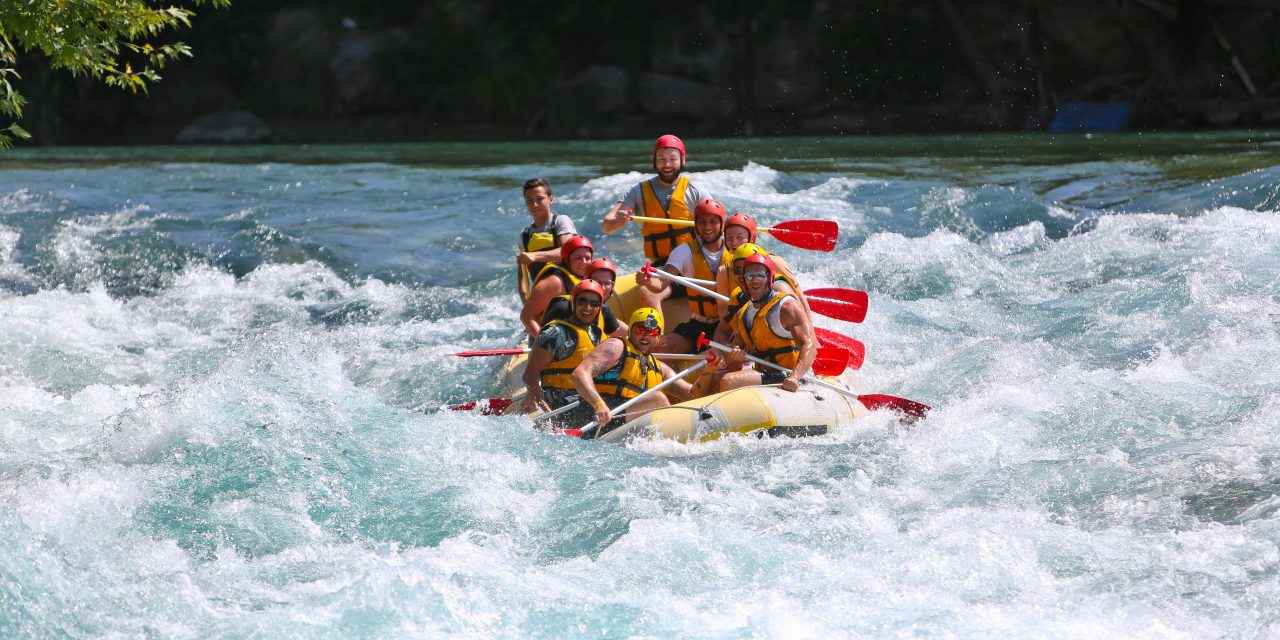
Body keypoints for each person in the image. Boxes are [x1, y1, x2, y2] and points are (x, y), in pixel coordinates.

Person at [600, 134, 714, 309]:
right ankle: (655, 335)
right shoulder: (638, 191)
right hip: (663, 265)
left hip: (693, 260)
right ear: (654, 161)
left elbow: (717, 222)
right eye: (661, 159)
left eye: (672, 159)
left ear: (682, 160)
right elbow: (606, 225)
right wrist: (618, 221)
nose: (667, 165)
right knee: (648, 291)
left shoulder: (694, 190)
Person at [572, 307, 694, 435]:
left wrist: (709, 371)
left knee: (656, 399)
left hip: (623, 422)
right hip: (598, 417)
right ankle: (676, 436)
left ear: (659, 338)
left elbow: (691, 394)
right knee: (657, 399)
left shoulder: (660, 369)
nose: (646, 335)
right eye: (641, 330)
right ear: (630, 331)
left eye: (652, 333)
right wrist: (598, 404)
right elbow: (579, 373)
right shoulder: (616, 346)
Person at [707, 254, 817, 394]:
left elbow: (810, 345)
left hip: (789, 373)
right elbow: (733, 366)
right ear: (744, 282)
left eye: (760, 275)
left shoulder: (787, 307)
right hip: (764, 373)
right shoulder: (743, 315)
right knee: (716, 377)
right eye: (749, 276)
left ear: (770, 278)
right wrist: (736, 359)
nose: (754, 280)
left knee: (729, 380)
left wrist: (795, 376)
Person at [634, 198, 729, 353]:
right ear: (696, 225)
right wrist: (648, 281)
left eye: (713, 221)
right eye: (702, 222)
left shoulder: (735, 250)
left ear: (722, 224)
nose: (707, 227)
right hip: (700, 323)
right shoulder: (684, 252)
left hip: (728, 325)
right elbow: (660, 284)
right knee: (663, 349)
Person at [521, 279, 607, 421]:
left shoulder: (597, 335)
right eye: (582, 301)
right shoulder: (555, 333)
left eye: (594, 303)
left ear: (599, 308)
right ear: (573, 303)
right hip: (558, 405)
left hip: (586, 403)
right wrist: (546, 411)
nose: (588, 308)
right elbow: (529, 376)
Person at [713, 238, 811, 345]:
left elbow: (808, 340)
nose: (743, 275)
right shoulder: (738, 296)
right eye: (738, 270)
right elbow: (721, 331)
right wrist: (727, 353)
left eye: (752, 270)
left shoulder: (781, 291)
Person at [520, 234, 593, 338]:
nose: (584, 263)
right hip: (544, 339)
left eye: (587, 258)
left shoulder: (581, 277)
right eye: (578, 258)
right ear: (567, 259)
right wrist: (545, 344)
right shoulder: (554, 281)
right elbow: (526, 315)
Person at [516, 178, 577, 300]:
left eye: (539, 199)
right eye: (529, 200)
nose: (534, 204)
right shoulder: (525, 235)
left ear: (550, 199)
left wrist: (534, 256)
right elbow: (523, 274)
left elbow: (566, 252)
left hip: (569, 288)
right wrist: (524, 296)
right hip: (543, 295)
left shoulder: (560, 221)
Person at [539, 257, 627, 338]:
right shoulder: (562, 308)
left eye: (607, 283)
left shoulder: (604, 310)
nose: (602, 288)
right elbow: (541, 341)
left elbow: (627, 335)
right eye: (597, 282)